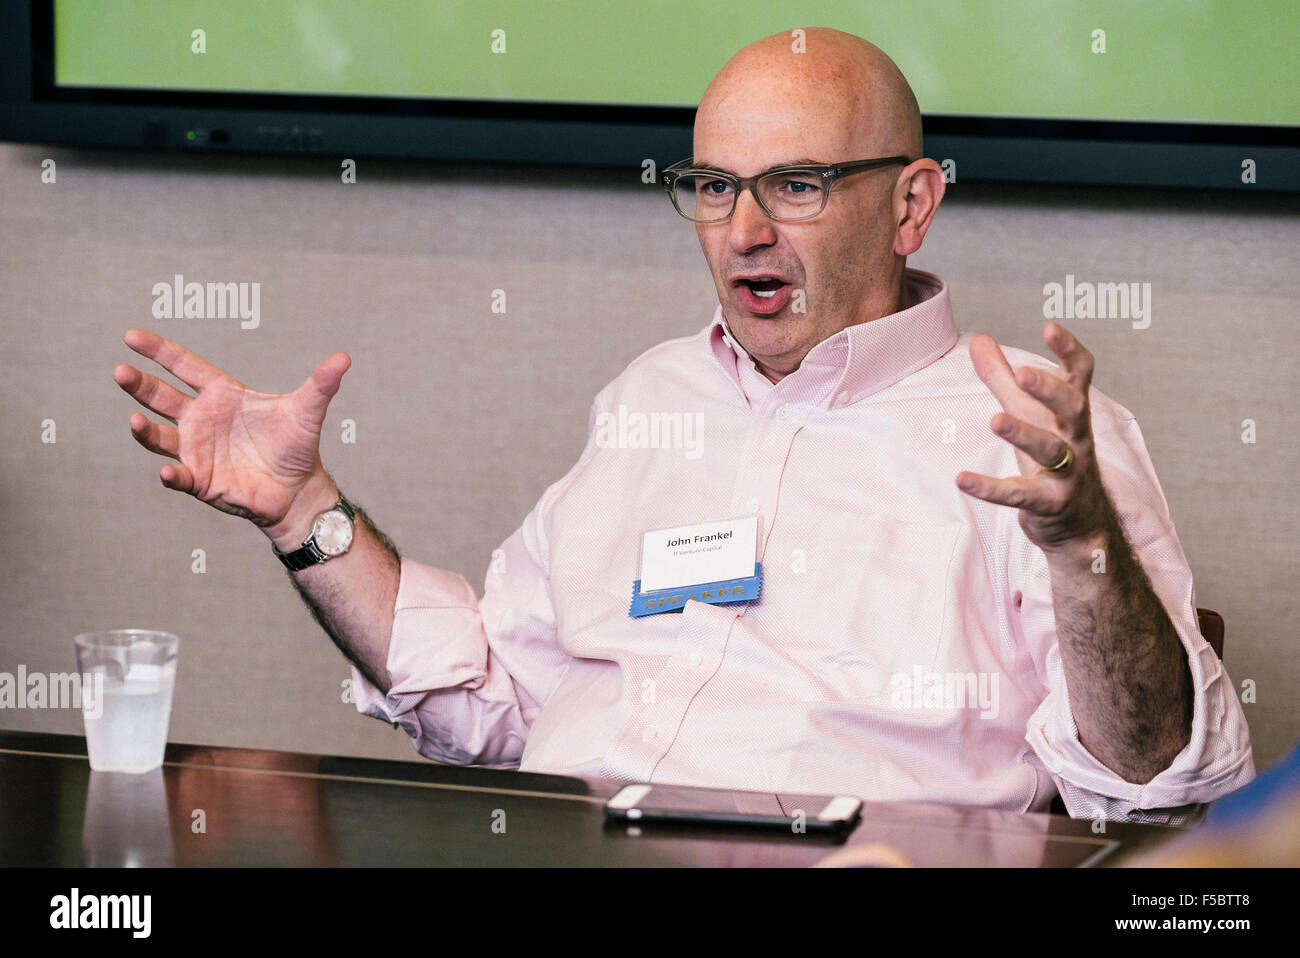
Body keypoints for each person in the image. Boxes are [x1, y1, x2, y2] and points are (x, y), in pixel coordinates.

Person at [114, 27, 1253, 822]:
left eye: (794, 184)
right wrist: (303, 512)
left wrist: (1084, 552)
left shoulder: (1038, 437)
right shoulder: (652, 397)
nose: (742, 229)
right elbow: (491, 695)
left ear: (910, 203)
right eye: (713, 185)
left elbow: (1152, 784)